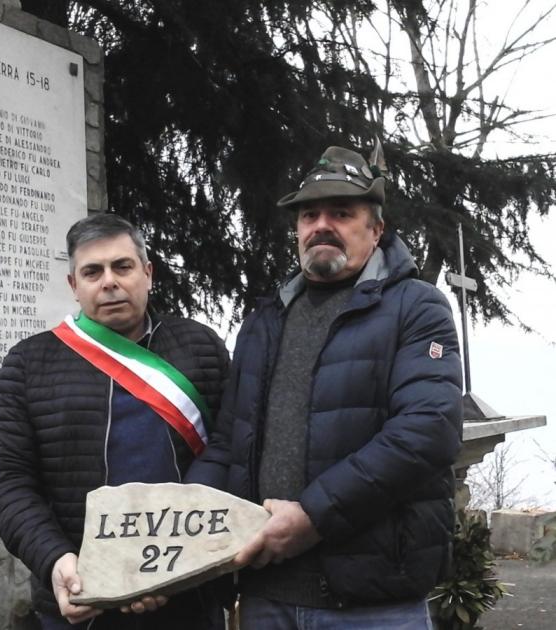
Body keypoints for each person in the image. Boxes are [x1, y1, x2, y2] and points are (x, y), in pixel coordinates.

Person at [186, 143, 463, 629]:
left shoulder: (417, 308)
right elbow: (230, 444)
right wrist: (184, 525)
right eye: (309, 214)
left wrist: (311, 518)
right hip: (264, 595)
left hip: (370, 603)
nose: (321, 225)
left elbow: (428, 430)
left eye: (341, 212)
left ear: (375, 229)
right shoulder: (263, 323)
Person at [0, 213, 230, 630]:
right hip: (80, 599)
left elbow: (232, 447)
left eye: (123, 266)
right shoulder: (29, 362)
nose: (109, 281)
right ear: (74, 286)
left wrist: (184, 551)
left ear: (148, 273)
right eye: (93, 271)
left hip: (191, 592)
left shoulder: (200, 346)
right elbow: (4, 477)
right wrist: (55, 560)